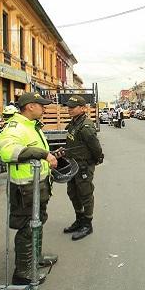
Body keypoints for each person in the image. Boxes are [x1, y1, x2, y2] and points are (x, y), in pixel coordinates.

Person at [0, 92, 59, 285]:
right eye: (41, 105)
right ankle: (23, 272)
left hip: (37, 187)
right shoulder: (15, 127)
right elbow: (8, 150)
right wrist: (43, 154)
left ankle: (36, 258)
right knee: (26, 228)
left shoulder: (32, 126)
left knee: (38, 222)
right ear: (30, 106)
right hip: (24, 189)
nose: (44, 108)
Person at [62, 95, 104, 241]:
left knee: (85, 194)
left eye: (73, 107)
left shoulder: (85, 126)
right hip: (72, 164)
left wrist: (97, 159)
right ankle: (79, 219)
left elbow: (95, 147)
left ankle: (87, 224)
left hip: (83, 165)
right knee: (72, 192)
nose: (69, 110)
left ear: (83, 108)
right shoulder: (74, 122)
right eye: (68, 107)